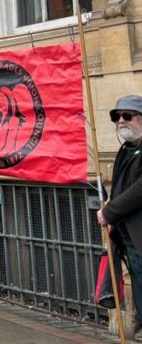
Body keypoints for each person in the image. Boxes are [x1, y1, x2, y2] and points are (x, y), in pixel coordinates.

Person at [98, 94, 142, 332]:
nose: (121, 121)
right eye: (117, 116)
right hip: (128, 237)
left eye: (128, 116)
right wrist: (107, 203)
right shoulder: (125, 150)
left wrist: (111, 211)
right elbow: (119, 186)